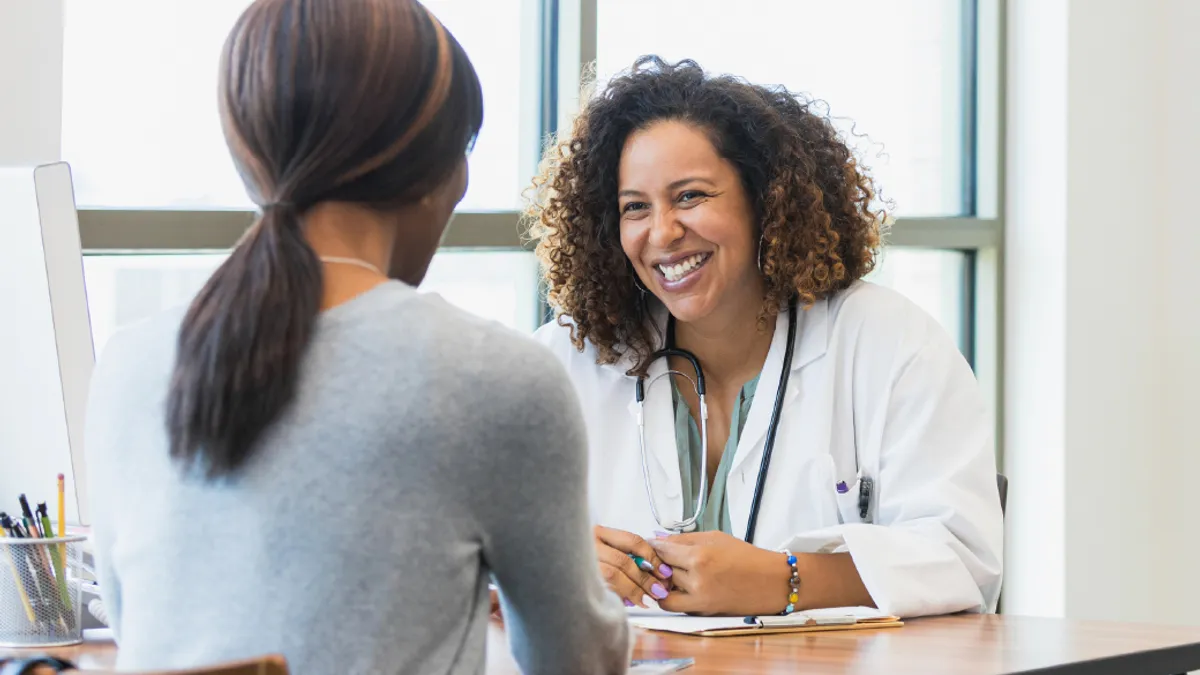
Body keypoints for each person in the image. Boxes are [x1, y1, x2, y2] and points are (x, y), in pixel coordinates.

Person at [83, 1, 629, 673]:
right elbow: (577, 661)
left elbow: (139, 623)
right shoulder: (493, 377)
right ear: (440, 173)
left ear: (251, 157)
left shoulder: (128, 366)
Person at [525, 56, 1003, 619]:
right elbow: (472, 547)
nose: (663, 233)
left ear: (765, 198)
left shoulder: (891, 344)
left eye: (690, 196)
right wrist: (551, 561)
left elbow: (963, 559)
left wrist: (785, 581)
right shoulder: (565, 361)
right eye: (635, 207)